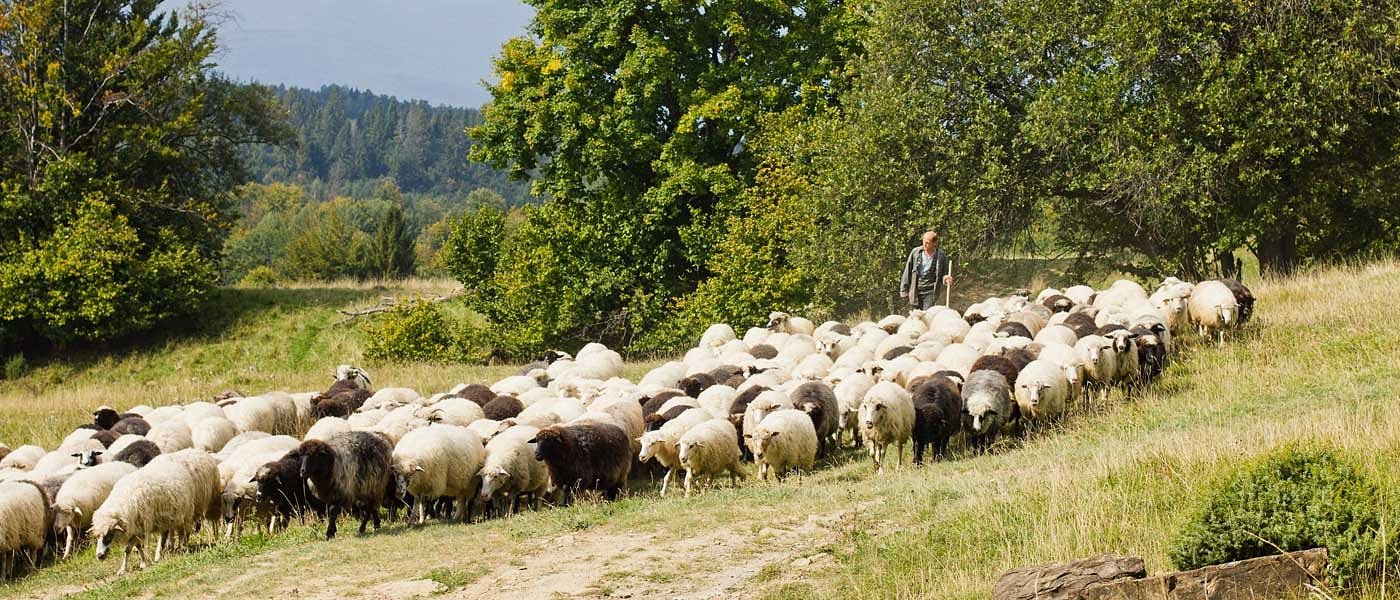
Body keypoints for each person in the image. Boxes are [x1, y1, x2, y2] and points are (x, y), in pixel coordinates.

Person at [899, 231, 953, 310]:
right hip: (915, 291)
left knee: (927, 315)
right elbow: (907, 271)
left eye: (927, 243)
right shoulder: (915, 253)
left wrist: (946, 279)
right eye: (923, 242)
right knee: (915, 316)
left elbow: (944, 273)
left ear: (934, 243)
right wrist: (904, 290)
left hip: (930, 292)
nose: (924, 244)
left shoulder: (941, 256)